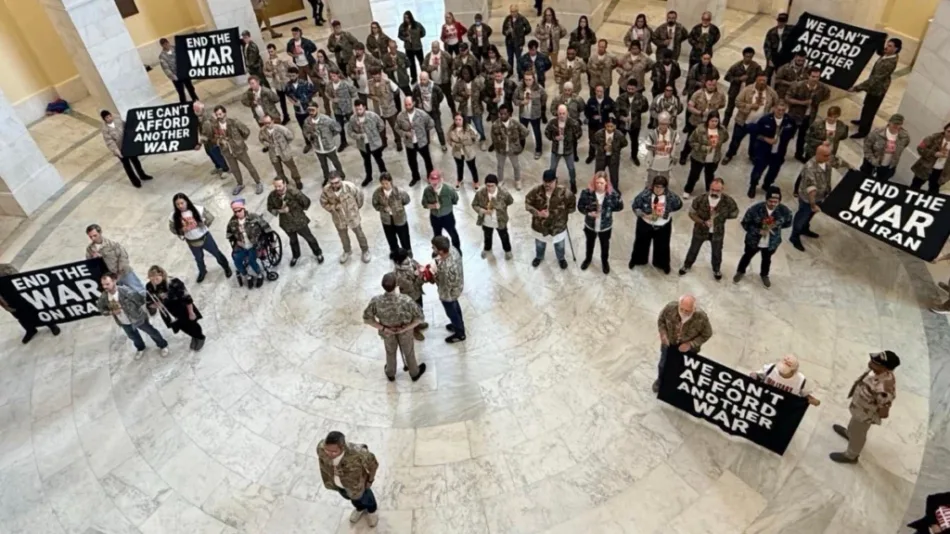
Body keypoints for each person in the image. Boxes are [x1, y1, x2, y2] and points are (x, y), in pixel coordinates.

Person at [830, 351, 900, 464]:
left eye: (875, 363)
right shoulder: (875, 371)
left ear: (885, 368)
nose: (870, 364)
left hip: (865, 415)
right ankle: (849, 434)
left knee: (858, 434)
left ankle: (851, 456)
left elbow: (884, 412)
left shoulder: (884, 388)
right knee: (853, 426)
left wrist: (871, 412)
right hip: (859, 409)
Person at [363, 273, 427, 381]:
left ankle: (390, 372)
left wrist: (383, 328)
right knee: (409, 352)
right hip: (405, 332)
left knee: (390, 352)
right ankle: (414, 373)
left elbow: (367, 319)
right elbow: (420, 318)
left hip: (387, 332)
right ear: (396, 284)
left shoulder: (376, 301)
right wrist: (406, 328)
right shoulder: (406, 300)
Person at [679, 177, 738, 280]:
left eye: (717, 190)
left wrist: (721, 218)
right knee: (693, 249)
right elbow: (691, 213)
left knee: (717, 252)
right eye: (712, 189)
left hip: (717, 232)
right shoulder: (700, 199)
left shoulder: (728, 201)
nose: (714, 192)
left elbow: (735, 213)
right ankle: (687, 265)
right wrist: (702, 222)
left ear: (722, 189)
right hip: (700, 230)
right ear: (709, 188)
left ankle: (716, 269)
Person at [316, 431, 380, 527]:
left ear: (343, 447)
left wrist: (370, 480)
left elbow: (373, 465)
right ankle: (360, 508)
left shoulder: (359, 453)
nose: (329, 454)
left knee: (366, 498)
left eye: (334, 451)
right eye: (327, 450)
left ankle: (371, 511)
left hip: (358, 485)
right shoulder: (320, 448)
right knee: (352, 498)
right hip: (338, 484)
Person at [98, 272, 169, 358]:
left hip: (137, 318)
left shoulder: (127, 291)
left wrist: (149, 307)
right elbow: (101, 309)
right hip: (123, 322)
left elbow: (141, 300)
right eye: (103, 284)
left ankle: (162, 345)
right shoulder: (104, 297)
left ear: (114, 281)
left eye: (107, 284)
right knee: (133, 336)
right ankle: (140, 348)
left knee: (151, 332)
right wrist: (111, 312)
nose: (105, 287)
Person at [734, 186, 792, 288]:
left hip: (771, 242)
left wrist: (774, 229)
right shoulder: (755, 209)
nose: (773, 204)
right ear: (766, 199)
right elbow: (745, 223)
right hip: (754, 240)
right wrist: (758, 231)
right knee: (747, 256)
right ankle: (740, 271)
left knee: (767, 259)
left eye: (776, 202)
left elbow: (787, 223)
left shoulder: (784, 211)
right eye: (770, 201)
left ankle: (764, 275)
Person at [653, 294, 713, 393]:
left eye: (687, 311)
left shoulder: (701, 317)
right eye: (682, 309)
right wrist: (663, 334)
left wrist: (691, 344)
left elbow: (707, 334)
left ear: (694, 308)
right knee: (663, 365)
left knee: (682, 367)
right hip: (669, 343)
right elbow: (661, 320)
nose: (684, 312)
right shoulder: (670, 308)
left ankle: (677, 384)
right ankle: (660, 381)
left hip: (689, 349)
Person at [168, 193, 231, 282]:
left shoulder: (198, 209)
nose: (180, 206)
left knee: (216, 253)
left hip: (205, 237)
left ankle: (226, 267)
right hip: (191, 241)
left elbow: (210, 218)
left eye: (182, 203)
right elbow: (172, 229)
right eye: (177, 204)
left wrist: (201, 224)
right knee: (198, 258)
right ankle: (202, 271)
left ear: (186, 201)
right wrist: (182, 230)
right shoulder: (173, 215)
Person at [850, 38, 902, 139]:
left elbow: (874, 80)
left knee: (870, 109)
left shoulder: (889, 63)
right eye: (887, 44)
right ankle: (862, 121)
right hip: (874, 88)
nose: (886, 47)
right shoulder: (887, 55)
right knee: (866, 106)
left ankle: (863, 131)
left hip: (878, 89)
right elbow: (880, 51)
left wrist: (856, 88)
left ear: (896, 49)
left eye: (890, 46)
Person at [266, 177, 324, 267]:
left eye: (279, 186)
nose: (277, 188)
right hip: (286, 222)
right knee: (293, 240)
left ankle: (318, 253)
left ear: (285, 184)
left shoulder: (294, 193)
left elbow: (306, 202)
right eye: (275, 186)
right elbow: (270, 207)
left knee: (309, 238)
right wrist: (279, 211)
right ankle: (296, 255)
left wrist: (296, 209)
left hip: (299, 220)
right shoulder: (272, 195)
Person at [629, 175, 682, 273]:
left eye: (661, 187)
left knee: (662, 246)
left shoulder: (671, 197)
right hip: (645, 223)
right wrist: (643, 215)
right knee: (640, 243)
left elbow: (679, 205)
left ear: (665, 188)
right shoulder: (645, 194)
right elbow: (635, 206)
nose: (658, 189)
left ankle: (662, 264)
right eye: (656, 187)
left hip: (663, 225)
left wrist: (667, 212)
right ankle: (638, 260)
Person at [145, 266, 205, 351]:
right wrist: (155, 305)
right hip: (168, 312)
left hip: (182, 307)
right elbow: (148, 302)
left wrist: (191, 312)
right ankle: (193, 335)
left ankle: (200, 337)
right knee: (182, 327)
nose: (154, 281)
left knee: (192, 324)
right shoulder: (149, 286)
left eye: (156, 278)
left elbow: (186, 297)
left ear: (161, 274)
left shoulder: (174, 282)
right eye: (152, 279)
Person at [526, 169, 577, 269]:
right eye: (545, 182)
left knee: (559, 245)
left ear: (555, 181)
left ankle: (561, 259)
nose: (547, 185)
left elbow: (572, 207)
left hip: (557, 227)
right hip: (540, 225)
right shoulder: (536, 191)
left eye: (550, 182)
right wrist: (538, 213)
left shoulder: (565, 193)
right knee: (540, 243)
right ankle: (539, 257)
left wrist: (559, 215)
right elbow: (527, 204)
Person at [207, 105, 263, 195]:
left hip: (239, 150)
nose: (219, 116)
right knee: (234, 169)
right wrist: (219, 141)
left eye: (220, 114)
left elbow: (246, 131)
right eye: (217, 115)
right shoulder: (214, 126)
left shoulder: (234, 122)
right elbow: (212, 138)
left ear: (225, 113)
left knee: (249, 166)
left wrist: (239, 141)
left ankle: (258, 182)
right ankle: (240, 184)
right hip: (226, 151)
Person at [0, 263, 61, 344]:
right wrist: (4, 304)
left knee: (36, 310)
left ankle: (51, 325)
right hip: (8, 300)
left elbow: (19, 278)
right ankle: (30, 330)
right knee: (20, 316)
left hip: (21, 294)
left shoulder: (5, 267)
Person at [723, 73, 776, 165]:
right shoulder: (747, 90)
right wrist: (750, 106)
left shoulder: (771, 92)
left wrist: (770, 112)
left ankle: (752, 156)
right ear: (756, 80)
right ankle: (729, 154)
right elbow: (737, 102)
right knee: (736, 140)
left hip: (758, 124)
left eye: (764, 81)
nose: (762, 83)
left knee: (755, 142)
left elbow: (776, 104)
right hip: (743, 122)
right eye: (760, 80)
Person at [747, 100, 796, 198]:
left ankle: (766, 185)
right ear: (774, 109)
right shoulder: (765, 120)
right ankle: (753, 186)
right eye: (778, 110)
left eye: (783, 110)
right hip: (764, 151)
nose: (780, 112)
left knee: (774, 171)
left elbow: (792, 132)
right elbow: (755, 134)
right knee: (758, 170)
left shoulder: (789, 121)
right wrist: (766, 139)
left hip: (779, 153)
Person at [320, 172, 371, 264]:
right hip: (339, 218)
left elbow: (359, 197)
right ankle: (347, 251)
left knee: (359, 233)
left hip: (352, 216)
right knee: (343, 236)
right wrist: (334, 208)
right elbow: (324, 203)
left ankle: (365, 250)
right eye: (332, 183)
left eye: (337, 182)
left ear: (341, 180)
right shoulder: (326, 190)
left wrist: (355, 209)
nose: (334, 185)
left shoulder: (349, 187)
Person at [790, 144, 833, 252]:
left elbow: (837, 163)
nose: (828, 158)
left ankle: (805, 228)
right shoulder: (810, 167)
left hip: (821, 196)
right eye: (825, 156)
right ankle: (794, 236)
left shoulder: (826, 161)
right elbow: (811, 189)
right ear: (818, 154)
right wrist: (813, 205)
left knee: (810, 215)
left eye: (829, 155)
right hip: (808, 199)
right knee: (802, 216)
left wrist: (849, 167)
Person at [577, 171, 622, 273]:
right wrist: (588, 213)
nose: (599, 185)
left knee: (605, 245)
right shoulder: (587, 193)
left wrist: (608, 211)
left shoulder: (612, 194)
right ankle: (588, 259)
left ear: (606, 183)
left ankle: (604, 262)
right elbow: (580, 207)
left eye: (601, 183)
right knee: (589, 243)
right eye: (597, 182)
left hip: (605, 226)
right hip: (590, 225)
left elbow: (620, 206)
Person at [786, 67, 831, 162]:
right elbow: (788, 98)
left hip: (809, 117)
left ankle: (798, 154)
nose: (815, 79)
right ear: (808, 76)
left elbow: (827, 96)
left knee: (803, 137)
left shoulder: (822, 88)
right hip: (795, 115)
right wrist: (802, 103)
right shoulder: (798, 85)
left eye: (817, 77)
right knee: (787, 135)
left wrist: (817, 103)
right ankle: (780, 153)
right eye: (813, 76)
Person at [100, 110, 153, 188]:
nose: (109, 118)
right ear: (104, 119)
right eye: (107, 118)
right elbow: (109, 141)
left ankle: (142, 175)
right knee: (127, 165)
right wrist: (116, 151)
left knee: (136, 161)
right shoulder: (105, 129)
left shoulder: (118, 121)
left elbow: (128, 128)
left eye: (110, 116)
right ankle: (135, 182)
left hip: (128, 146)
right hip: (120, 149)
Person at [225, 199, 271, 289]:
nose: (238, 213)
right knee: (236, 259)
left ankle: (259, 274)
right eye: (235, 211)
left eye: (239, 210)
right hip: (241, 246)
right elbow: (229, 233)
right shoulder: (232, 222)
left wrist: (270, 240)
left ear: (243, 208)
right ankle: (247, 275)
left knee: (251, 260)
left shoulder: (253, 217)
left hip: (255, 244)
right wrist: (235, 240)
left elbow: (266, 227)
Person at [85, 224, 145, 293]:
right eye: (90, 237)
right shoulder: (90, 249)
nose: (93, 238)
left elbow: (123, 257)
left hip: (123, 273)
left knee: (139, 290)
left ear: (100, 232)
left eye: (95, 235)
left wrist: (119, 271)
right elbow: (89, 265)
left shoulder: (112, 244)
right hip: (110, 279)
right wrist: (93, 259)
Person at [680, 77, 726, 164]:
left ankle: (703, 156)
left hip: (710, 124)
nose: (711, 87)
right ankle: (684, 155)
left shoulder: (720, 95)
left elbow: (722, 105)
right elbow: (690, 107)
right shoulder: (698, 94)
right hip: (696, 122)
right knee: (690, 140)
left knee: (707, 140)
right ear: (705, 84)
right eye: (709, 84)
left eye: (713, 85)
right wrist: (700, 112)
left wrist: (712, 112)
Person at [430, 235, 466, 342]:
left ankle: (460, 333)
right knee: (456, 306)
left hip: (448, 293)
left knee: (451, 311)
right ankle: (459, 324)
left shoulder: (446, 269)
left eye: (434, 247)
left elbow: (442, 284)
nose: (432, 249)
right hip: (457, 286)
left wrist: (432, 275)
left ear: (441, 251)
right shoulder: (453, 250)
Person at [470, 174, 515, 260]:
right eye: (488, 186)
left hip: (500, 220)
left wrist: (501, 208)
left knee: (504, 236)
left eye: (492, 186)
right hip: (487, 221)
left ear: (496, 185)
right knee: (487, 236)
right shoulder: (480, 193)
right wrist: (482, 211)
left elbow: (510, 201)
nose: (490, 188)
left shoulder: (504, 193)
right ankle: (487, 248)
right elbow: (474, 204)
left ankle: (507, 250)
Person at [684, 113, 729, 197]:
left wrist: (717, 146)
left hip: (714, 157)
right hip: (698, 157)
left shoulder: (722, 130)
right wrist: (703, 148)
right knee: (694, 175)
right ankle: (688, 190)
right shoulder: (700, 129)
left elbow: (725, 138)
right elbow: (691, 141)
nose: (714, 123)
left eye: (716, 121)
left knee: (710, 175)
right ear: (708, 120)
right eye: (712, 121)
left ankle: (709, 190)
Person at [396, 97, 436, 187]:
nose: (407, 106)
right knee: (412, 161)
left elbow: (431, 123)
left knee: (427, 160)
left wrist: (423, 131)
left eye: (409, 104)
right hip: (409, 143)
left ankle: (430, 176)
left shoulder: (421, 114)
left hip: (421, 142)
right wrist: (405, 133)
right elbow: (397, 128)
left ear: (413, 103)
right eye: (406, 105)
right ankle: (415, 177)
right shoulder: (401, 116)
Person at [749, 354, 821, 405]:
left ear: (793, 370)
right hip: (763, 400)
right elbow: (758, 375)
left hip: (783, 406)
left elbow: (807, 395)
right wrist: (754, 376)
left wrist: (814, 401)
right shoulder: (771, 368)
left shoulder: (800, 380)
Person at [346, 100, 388, 187]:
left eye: (360, 109)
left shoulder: (372, 116)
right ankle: (369, 177)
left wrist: (375, 134)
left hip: (374, 143)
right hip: (362, 145)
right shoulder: (353, 119)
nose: (358, 111)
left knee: (379, 160)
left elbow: (381, 125)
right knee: (366, 161)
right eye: (357, 109)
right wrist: (358, 136)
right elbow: (350, 132)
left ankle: (385, 175)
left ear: (364, 107)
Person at [303, 103, 346, 186]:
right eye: (309, 110)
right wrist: (310, 137)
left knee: (335, 162)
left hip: (329, 146)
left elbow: (337, 128)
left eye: (313, 110)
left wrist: (329, 136)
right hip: (318, 147)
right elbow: (305, 132)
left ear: (317, 109)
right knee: (323, 165)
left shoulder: (326, 120)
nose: (311, 112)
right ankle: (326, 178)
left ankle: (341, 176)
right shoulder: (307, 121)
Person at [391, 247, 427, 340]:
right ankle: (415, 329)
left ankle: (419, 323)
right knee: (413, 314)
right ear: (399, 260)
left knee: (420, 308)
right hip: (410, 297)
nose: (408, 259)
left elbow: (417, 264)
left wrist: (421, 268)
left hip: (417, 293)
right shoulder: (399, 275)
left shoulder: (409, 261)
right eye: (405, 258)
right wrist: (420, 276)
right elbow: (411, 287)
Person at [861, 114, 911, 181]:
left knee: (882, 181)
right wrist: (872, 159)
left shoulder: (904, 136)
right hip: (872, 163)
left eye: (899, 124)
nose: (896, 125)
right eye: (894, 123)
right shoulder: (877, 132)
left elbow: (904, 145)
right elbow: (867, 146)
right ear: (889, 122)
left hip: (888, 166)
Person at [372, 173, 412, 255]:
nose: (384, 185)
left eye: (386, 183)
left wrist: (397, 207)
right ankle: (394, 251)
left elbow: (407, 200)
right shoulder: (377, 193)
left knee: (404, 236)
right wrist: (383, 208)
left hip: (400, 218)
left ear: (391, 182)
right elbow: (375, 204)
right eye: (382, 183)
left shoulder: (400, 191)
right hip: (386, 220)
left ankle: (407, 251)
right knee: (390, 237)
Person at [421, 170, 462, 252]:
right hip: (435, 217)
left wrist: (447, 208)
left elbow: (455, 199)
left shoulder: (449, 190)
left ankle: (457, 250)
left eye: (437, 182)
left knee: (453, 233)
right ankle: (439, 251)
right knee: (437, 235)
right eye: (433, 183)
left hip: (447, 217)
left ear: (441, 180)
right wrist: (432, 206)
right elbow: (424, 204)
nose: (434, 185)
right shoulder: (427, 191)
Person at [259, 114, 303, 189]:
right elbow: (261, 139)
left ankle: (297, 180)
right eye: (265, 123)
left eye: (268, 123)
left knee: (292, 167)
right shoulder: (262, 131)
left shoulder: (281, 129)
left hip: (284, 152)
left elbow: (290, 137)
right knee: (278, 170)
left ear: (272, 121)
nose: (267, 125)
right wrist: (267, 144)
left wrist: (284, 144)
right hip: (273, 153)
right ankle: (283, 180)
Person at [546, 104, 582, 193]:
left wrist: (570, 138)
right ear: (557, 113)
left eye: (563, 113)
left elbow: (579, 133)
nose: (561, 115)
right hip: (556, 150)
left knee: (571, 169)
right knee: (552, 168)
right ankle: (552, 183)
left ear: (567, 113)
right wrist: (554, 138)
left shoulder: (573, 123)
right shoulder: (552, 123)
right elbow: (547, 133)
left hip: (568, 150)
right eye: (560, 113)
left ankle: (573, 183)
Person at [722, 47, 762, 127]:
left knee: (746, 110)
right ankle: (724, 125)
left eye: (750, 57)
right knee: (729, 109)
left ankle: (743, 126)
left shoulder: (756, 67)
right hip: (735, 91)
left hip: (748, 93)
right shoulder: (736, 66)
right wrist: (738, 79)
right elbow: (727, 77)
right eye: (747, 56)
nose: (748, 59)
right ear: (743, 56)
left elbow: (760, 78)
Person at [492, 104, 529, 189]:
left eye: (505, 114)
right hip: (501, 150)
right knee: (500, 166)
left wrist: (519, 141)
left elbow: (525, 132)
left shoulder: (515, 123)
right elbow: (493, 137)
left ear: (509, 114)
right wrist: (497, 146)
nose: (503, 116)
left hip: (513, 149)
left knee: (516, 166)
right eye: (501, 114)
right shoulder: (495, 124)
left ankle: (517, 180)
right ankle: (500, 180)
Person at [615, 78, 650, 166]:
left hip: (635, 125)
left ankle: (634, 156)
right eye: (628, 89)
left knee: (634, 141)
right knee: (618, 140)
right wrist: (622, 117)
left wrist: (636, 114)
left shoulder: (642, 98)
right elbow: (615, 110)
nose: (630, 91)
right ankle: (616, 155)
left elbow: (645, 108)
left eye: (632, 89)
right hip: (622, 124)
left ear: (636, 89)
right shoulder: (620, 98)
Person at [367, 68, 403, 152]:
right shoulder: (370, 83)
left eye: (377, 75)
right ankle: (384, 142)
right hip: (379, 110)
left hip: (389, 109)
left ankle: (398, 141)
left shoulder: (387, 82)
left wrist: (390, 99)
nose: (376, 77)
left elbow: (397, 90)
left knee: (394, 126)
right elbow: (368, 94)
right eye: (374, 76)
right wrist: (374, 97)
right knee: (381, 127)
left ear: (380, 74)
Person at [412, 72, 448, 151]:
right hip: (424, 112)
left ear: (428, 79)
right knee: (425, 129)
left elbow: (441, 96)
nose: (422, 81)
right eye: (421, 79)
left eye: (424, 79)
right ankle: (427, 142)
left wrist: (436, 104)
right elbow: (414, 98)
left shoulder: (435, 87)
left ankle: (443, 144)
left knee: (438, 129)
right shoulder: (417, 88)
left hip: (434, 111)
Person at [192, 101, 229, 176]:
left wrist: (199, 144)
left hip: (212, 141)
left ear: (201, 110)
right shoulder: (201, 117)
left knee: (217, 155)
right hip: (208, 142)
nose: (195, 112)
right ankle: (218, 166)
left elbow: (207, 135)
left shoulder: (207, 121)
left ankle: (225, 169)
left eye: (196, 110)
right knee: (210, 154)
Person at [516, 71, 547, 160]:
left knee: (537, 132)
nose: (527, 81)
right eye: (526, 80)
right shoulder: (519, 88)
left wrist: (538, 107)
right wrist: (522, 102)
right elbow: (514, 99)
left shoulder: (539, 88)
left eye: (529, 79)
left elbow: (544, 98)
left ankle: (538, 149)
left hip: (535, 115)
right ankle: (521, 146)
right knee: (522, 131)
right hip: (523, 115)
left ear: (533, 79)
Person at [591, 118, 628, 193]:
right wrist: (601, 148)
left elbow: (625, 143)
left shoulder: (619, 135)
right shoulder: (599, 133)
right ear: (605, 125)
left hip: (613, 158)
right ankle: (597, 187)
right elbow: (593, 142)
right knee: (599, 173)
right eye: (608, 126)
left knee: (614, 175)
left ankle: (614, 189)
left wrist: (615, 148)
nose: (609, 128)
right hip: (601, 157)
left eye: (611, 126)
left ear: (615, 126)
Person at [453, 65, 487, 147]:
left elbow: (484, 93)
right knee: (467, 127)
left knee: (479, 127)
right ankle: (469, 139)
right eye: (464, 74)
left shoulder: (477, 82)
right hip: (464, 110)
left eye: (467, 74)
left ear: (471, 73)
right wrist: (462, 98)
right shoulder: (459, 83)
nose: (466, 76)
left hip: (476, 109)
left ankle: (482, 140)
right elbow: (454, 95)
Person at [911, 123, 950, 193]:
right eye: (949, 131)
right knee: (915, 187)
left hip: (940, 172)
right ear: (945, 130)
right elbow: (920, 148)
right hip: (925, 168)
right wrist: (934, 153)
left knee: (933, 191)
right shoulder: (933, 138)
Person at [285, 67, 316, 149]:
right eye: (290, 76)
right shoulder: (288, 85)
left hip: (308, 108)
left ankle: (317, 140)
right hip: (298, 110)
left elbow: (313, 91)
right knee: (303, 127)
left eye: (293, 76)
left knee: (313, 125)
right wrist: (294, 102)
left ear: (297, 75)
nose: (292, 78)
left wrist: (305, 100)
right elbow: (288, 95)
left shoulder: (304, 83)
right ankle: (308, 143)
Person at [158, 38, 198, 103]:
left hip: (183, 73)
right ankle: (183, 105)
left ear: (168, 42)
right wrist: (173, 76)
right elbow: (166, 68)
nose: (166, 45)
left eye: (166, 43)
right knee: (181, 92)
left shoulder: (177, 49)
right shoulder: (162, 56)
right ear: (162, 46)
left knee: (191, 88)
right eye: (164, 45)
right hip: (175, 76)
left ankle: (196, 101)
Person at [327, 69, 358, 152]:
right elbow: (327, 93)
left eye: (334, 76)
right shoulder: (329, 85)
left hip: (347, 108)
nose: (332, 78)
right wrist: (332, 99)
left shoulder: (345, 84)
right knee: (340, 126)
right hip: (337, 109)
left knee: (353, 123)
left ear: (338, 75)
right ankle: (343, 142)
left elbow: (354, 92)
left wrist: (347, 100)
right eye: (331, 77)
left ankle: (359, 139)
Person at [644, 111, 679, 183]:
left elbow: (676, 144)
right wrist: (657, 147)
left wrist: (675, 157)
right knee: (651, 180)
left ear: (669, 123)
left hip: (666, 162)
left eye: (665, 124)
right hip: (654, 162)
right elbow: (647, 146)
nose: (663, 126)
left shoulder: (674, 135)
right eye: (661, 123)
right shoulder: (652, 134)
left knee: (664, 180)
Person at [424, 41, 457, 116]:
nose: (434, 49)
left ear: (439, 47)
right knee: (435, 98)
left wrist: (451, 72)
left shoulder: (445, 55)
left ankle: (453, 110)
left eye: (435, 47)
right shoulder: (428, 56)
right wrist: (429, 68)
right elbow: (423, 67)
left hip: (445, 81)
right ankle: (436, 111)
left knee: (449, 97)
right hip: (434, 82)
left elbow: (452, 63)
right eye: (432, 47)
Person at [448, 114, 481, 188]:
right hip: (457, 152)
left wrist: (471, 141)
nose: (457, 121)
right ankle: (460, 180)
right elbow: (449, 140)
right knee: (459, 167)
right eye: (456, 119)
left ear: (463, 120)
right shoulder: (451, 129)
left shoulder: (469, 127)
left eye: (459, 119)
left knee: (472, 167)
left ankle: (476, 181)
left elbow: (477, 136)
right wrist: (455, 144)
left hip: (469, 152)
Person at [584, 84, 614, 164]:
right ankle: (591, 155)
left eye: (601, 91)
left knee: (606, 141)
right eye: (597, 91)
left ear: (604, 91)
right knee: (592, 141)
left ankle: (606, 156)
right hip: (593, 126)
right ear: (595, 91)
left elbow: (613, 110)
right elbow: (586, 112)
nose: (599, 93)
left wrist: (611, 118)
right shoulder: (591, 101)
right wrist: (592, 117)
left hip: (605, 126)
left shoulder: (608, 100)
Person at [502, 5, 533, 77]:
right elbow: (503, 31)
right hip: (509, 42)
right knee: (510, 58)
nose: (513, 13)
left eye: (514, 11)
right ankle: (510, 72)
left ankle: (520, 73)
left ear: (517, 11)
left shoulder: (522, 18)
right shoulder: (507, 19)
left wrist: (522, 35)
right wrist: (507, 32)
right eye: (511, 11)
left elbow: (528, 28)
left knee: (519, 59)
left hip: (518, 43)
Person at [263, 44, 292, 122]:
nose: (271, 53)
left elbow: (291, 67)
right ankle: (286, 116)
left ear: (275, 50)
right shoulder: (268, 62)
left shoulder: (282, 59)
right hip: (278, 84)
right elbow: (265, 72)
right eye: (269, 52)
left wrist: (289, 77)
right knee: (282, 101)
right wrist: (271, 73)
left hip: (286, 82)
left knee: (293, 97)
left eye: (272, 51)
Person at [398, 11, 427, 83]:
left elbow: (423, 32)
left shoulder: (417, 24)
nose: (406, 19)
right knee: (411, 63)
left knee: (421, 62)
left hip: (417, 47)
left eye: (407, 17)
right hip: (408, 48)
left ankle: (425, 75)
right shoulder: (402, 26)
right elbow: (399, 35)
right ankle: (414, 77)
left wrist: (417, 38)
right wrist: (405, 39)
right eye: (405, 18)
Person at [763, 12, 790, 84]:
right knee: (767, 74)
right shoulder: (772, 32)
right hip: (773, 55)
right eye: (779, 21)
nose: (780, 23)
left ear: (786, 22)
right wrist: (769, 59)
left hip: (784, 57)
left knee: (781, 75)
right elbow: (766, 46)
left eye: (782, 22)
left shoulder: (790, 31)